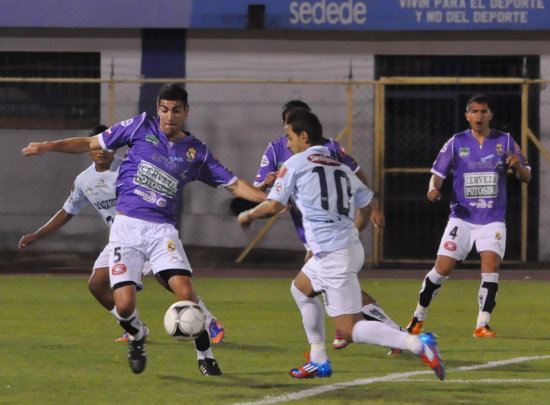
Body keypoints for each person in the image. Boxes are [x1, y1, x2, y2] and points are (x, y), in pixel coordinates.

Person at [22, 84, 267, 376]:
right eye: (164, 109)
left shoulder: (196, 153)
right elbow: (91, 143)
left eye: (176, 110)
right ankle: (137, 335)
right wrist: (48, 146)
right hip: (126, 230)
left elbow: (236, 185)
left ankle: (205, 355)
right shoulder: (140, 126)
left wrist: (271, 200)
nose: (169, 116)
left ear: (186, 112)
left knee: (185, 292)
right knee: (124, 306)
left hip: (162, 232)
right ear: (158, 110)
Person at [239, 109, 445, 380]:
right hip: (343, 249)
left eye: (289, 136)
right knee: (301, 289)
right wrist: (351, 234)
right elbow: (365, 207)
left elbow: (273, 205)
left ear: (304, 136)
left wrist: (248, 214)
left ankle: (417, 343)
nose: (286, 143)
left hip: (332, 254)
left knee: (350, 329)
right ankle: (318, 360)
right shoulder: (339, 166)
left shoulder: (295, 164)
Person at [18, 124, 226, 344]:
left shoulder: (130, 167)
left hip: (151, 231)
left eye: (104, 147)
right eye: (95, 147)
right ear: (89, 150)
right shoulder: (83, 181)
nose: (100, 151)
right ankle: (133, 327)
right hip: (122, 240)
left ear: (114, 147)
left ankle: (210, 321)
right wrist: (37, 235)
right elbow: (67, 211)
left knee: (169, 283)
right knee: (96, 285)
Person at [254, 100, 402, 351]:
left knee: (317, 284)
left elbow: (356, 173)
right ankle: (355, 332)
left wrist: (373, 206)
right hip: (309, 229)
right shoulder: (276, 149)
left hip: (331, 231)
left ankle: (380, 332)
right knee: (319, 285)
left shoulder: (329, 147)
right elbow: (258, 187)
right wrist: (266, 185)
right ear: (285, 125)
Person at [405, 94, 531, 338]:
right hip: (461, 218)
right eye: (474, 111)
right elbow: (438, 172)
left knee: (491, 265)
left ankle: (482, 325)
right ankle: (418, 317)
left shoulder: (505, 141)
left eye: (484, 111)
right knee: (442, 269)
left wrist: (518, 166)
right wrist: (433, 188)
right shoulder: (455, 142)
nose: (479, 116)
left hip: (492, 218)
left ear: (490, 115)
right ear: (467, 116)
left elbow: (527, 177)